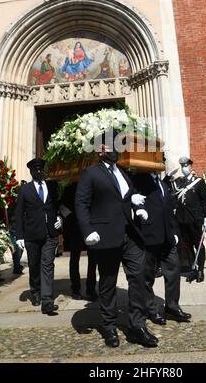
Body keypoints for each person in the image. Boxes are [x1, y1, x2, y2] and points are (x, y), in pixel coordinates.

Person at [75, 131, 158, 348]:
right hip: (105, 236)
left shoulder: (122, 172)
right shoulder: (90, 173)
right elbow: (81, 204)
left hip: (129, 235)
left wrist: (134, 202)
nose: (115, 150)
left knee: (138, 278)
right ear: (101, 150)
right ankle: (109, 326)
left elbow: (124, 196)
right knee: (108, 283)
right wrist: (87, 230)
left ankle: (137, 326)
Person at [131, 171, 191, 325]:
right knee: (148, 276)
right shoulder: (138, 179)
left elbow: (169, 211)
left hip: (167, 237)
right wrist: (137, 208)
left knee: (173, 270)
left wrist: (174, 232)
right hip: (149, 236)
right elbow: (131, 196)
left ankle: (172, 306)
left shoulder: (163, 184)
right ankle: (151, 310)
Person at [15, 158, 62, 314]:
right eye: (36, 170)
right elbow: (19, 214)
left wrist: (60, 218)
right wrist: (19, 236)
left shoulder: (51, 186)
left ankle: (47, 300)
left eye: (41, 169)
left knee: (47, 265)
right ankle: (35, 292)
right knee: (34, 265)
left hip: (50, 233)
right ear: (31, 172)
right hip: (32, 234)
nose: (39, 172)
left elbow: (58, 205)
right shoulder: (25, 190)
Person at [168, 157, 206, 283]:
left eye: (186, 166)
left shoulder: (199, 182)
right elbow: (174, 198)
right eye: (182, 166)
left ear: (190, 167)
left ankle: (201, 270)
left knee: (198, 245)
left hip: (195, 219)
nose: (184, 168)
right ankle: (193, 269)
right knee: (187, 246)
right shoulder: (178, 182)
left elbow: (204, 200)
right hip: (182, 219)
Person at [60, 182, 98, 300]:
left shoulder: (93, 186)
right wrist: (72, 219)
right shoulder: (70, 188)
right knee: (75, 259)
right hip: (75, 228)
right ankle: (76, 288)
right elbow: (63, 207)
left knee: (92, 260)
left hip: (90, 227)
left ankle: (90, 289)